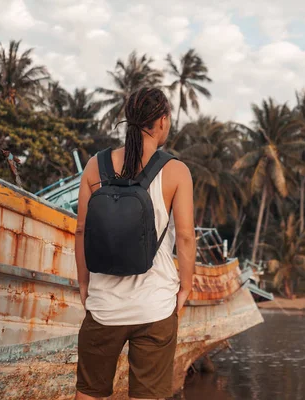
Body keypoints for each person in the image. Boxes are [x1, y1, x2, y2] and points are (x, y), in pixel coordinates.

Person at [73, 87, 196, 400]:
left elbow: (81, 231)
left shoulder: (94, 166)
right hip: (155, 308)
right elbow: (184, 236)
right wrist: (186, 287)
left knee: (88, 393)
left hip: (103, 307)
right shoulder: (176, 171)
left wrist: (85, 287)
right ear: (163, 121)